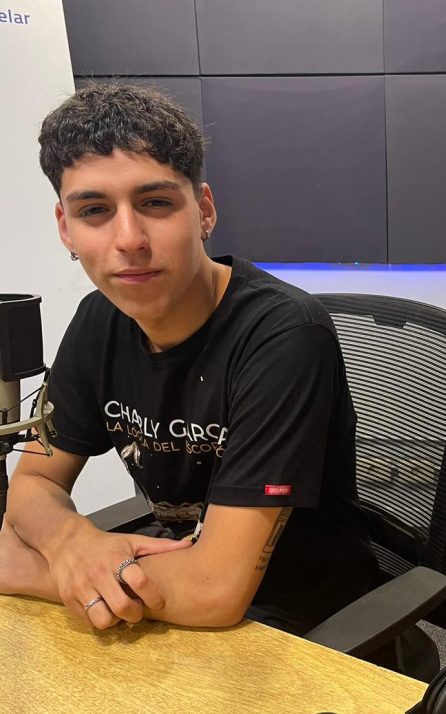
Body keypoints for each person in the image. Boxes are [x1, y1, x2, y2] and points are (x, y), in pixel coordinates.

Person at [0, 82, 378, 634]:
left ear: (203, 210)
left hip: (299, 622)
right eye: (94, 210)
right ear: (66, 229)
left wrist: (28, 569)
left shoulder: (284, 335)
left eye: (155, 203)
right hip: (167, 589)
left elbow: (214, 593)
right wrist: (70, 541)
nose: (129, 239)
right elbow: (34, 482)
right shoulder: (97, 320)